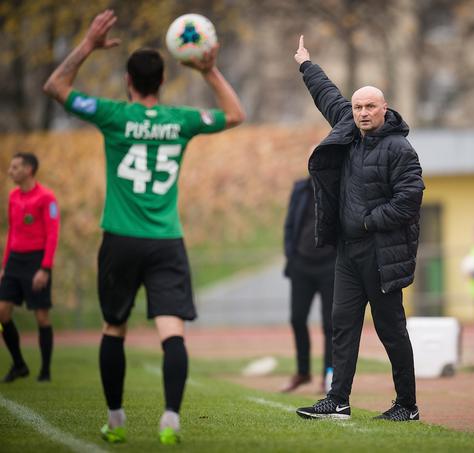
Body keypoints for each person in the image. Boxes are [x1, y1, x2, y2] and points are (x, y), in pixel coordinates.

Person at [43, 10, 245, 444]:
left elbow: (56, 87)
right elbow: (235, 114)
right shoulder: (181, 121)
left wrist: (87, 46)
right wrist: (209, 71)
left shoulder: (113, 115)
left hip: (120, 240)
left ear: (127, 82)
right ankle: (170, 419)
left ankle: (116, 422)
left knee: (113, 328)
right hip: (166, 242)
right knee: (172, 332)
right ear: (163, 83)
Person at [293, 36, 424, 421]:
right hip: (347, 254)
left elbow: (409, 199)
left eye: (370, 106)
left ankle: (407, 405)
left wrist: (369, 221)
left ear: (384, 109)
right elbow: (326, 94)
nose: (362, 113)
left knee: (391, 331)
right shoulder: (349, 128)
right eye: (357, 107)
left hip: (381, 254)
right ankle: (338, 400)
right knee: (342, 326)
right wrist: (306, 64)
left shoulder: (400, 149)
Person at [0, 152, 59, 384]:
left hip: (37, 261)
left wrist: (45, 268)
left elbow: (53, 234)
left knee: (42, 317)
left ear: (29, 170)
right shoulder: (13, 196)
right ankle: (19, 363)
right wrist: (5, 265)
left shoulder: (47, 198)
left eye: (15, 167)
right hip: (15, 261)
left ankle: (45, 371)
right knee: (2, 313)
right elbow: (13, 231)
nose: (10, 171)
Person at [282, 176, 335, 394]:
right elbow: (290, 223)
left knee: (330, 325)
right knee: (297, 318)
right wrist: (291, 256)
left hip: (330, 265)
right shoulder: (301, 188)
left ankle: (329, 375)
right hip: (301, 264)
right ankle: (303, 372)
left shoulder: (337, 186)